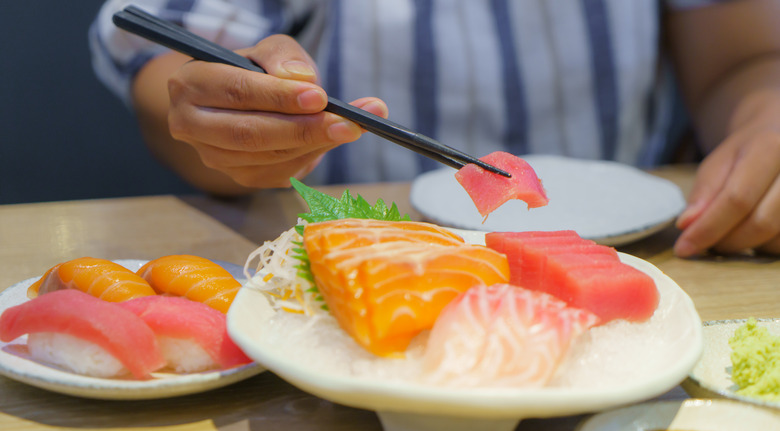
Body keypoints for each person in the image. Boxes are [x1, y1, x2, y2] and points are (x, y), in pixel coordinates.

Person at [90, 0, 780, 257]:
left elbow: (741, 60)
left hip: (654, 246)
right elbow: (168, 61)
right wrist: (233, 128)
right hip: (351, 240)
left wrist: (764, 111)